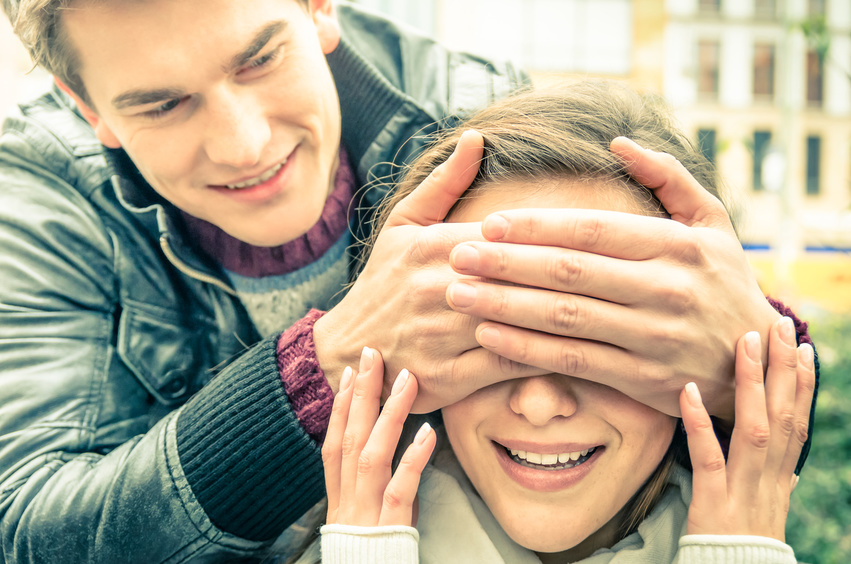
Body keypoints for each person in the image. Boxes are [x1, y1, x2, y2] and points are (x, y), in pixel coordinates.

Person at [0, 1, 816, 562]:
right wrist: (322, 370)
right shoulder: (36, 195)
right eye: (162, 106)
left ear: (319, 5)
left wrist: (746, 351)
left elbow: (693, 433)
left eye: (260, 58)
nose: (243, 144)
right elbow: (30, 531)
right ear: (83, 103)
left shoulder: (477, 112)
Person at [318, 81, 817, 563]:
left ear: (696, 346)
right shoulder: (346, 529)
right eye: (488, 337)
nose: (539, 405)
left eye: (601, 340)